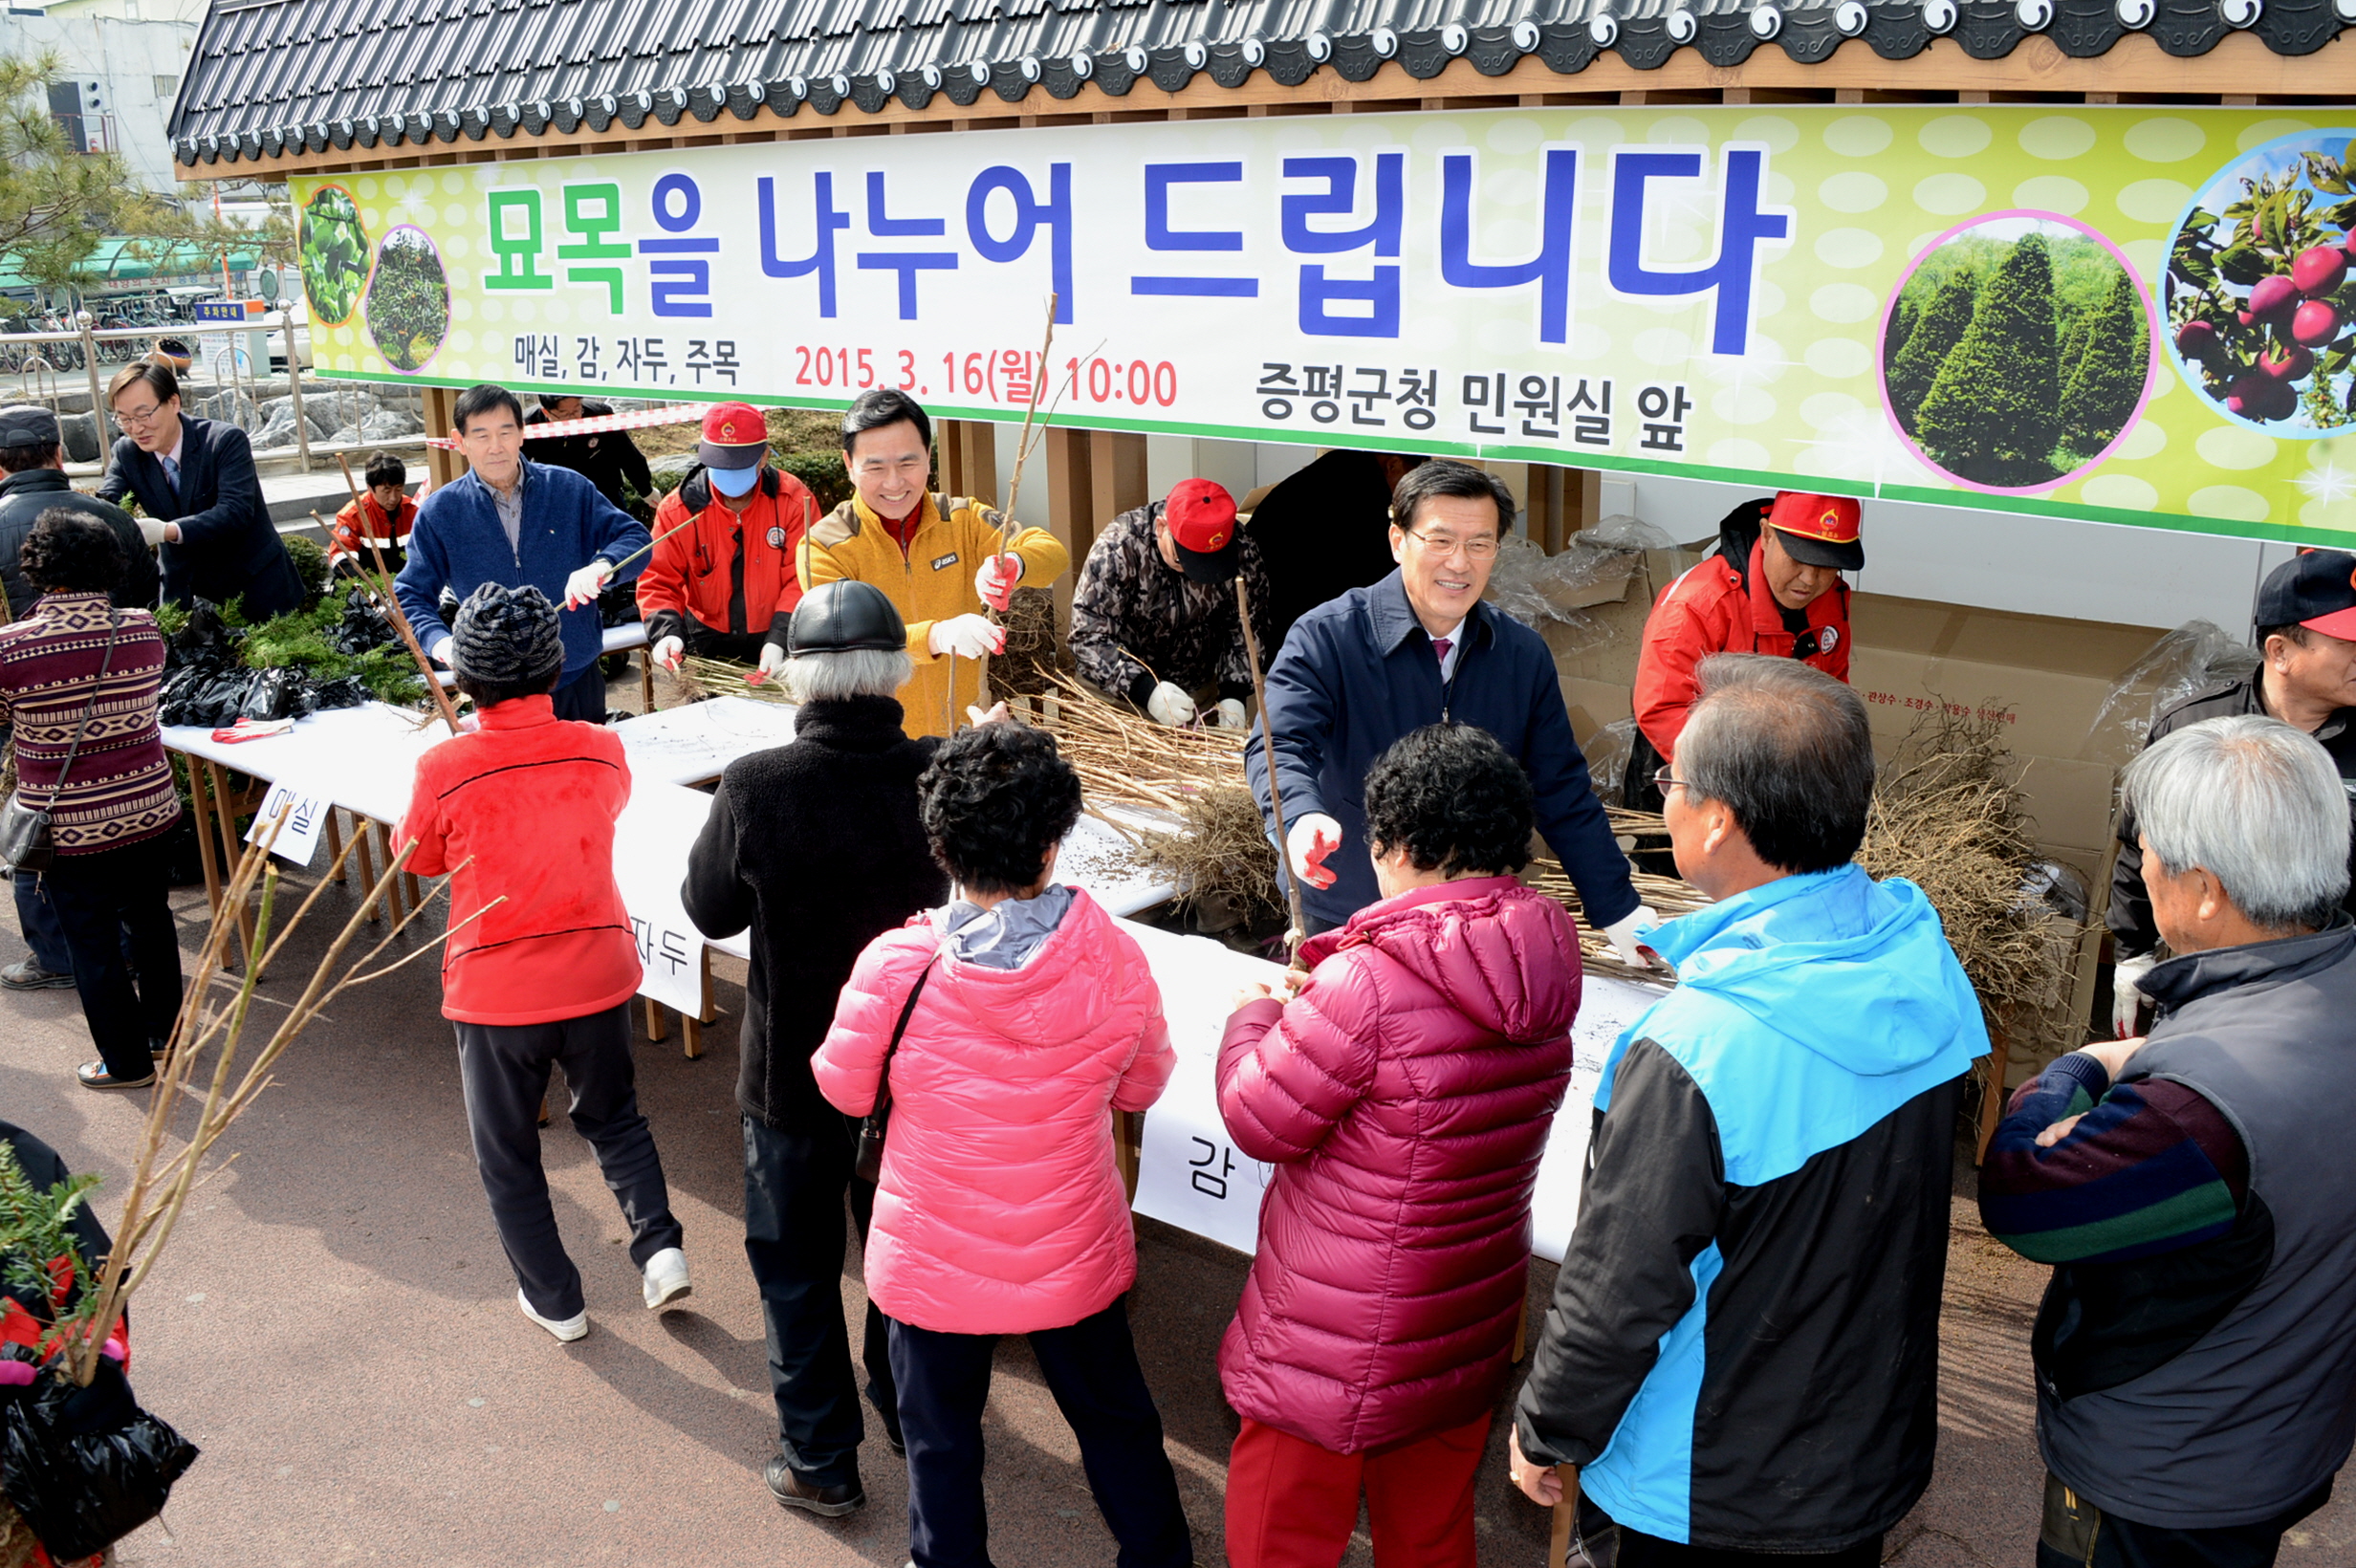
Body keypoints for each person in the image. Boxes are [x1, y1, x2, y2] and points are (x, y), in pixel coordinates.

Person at [1510, 655, 1987, 1566]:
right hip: (1858, 1458)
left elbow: (1621, 1287)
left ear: (1719, 820)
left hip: (1701, 1484)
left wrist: (1548, 1425)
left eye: (1670, 779)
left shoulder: (1698, 1048)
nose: (1665, 796)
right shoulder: (1920, 957)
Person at [812, 723, 1190, 1568]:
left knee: (942, 1445)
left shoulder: (894, 965)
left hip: (934, 1257)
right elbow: (1141, 1084)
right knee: (1118, 1424)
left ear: (940, 843)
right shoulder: (1115, 959)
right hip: (1072, 1250)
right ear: (1053, 846)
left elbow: (841, 1086)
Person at [1980, 714, 2356, 1568]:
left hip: (2164, 1477)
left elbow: (2021, 1194)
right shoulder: (2332, 981)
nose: (2140, 869)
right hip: (2282, 1427)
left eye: (2148, 854)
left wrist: (2076, 1069)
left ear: (2208, 889)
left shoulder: (2197, 1107)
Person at [1217, 722, 1582, 1568]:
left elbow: (1257, 1118)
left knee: (1282, 1536)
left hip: (1331, 1336)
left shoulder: (1370, 979)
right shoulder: (1546, 960)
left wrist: (1255, 1012)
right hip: (1464, 1312)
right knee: (1431, 1534)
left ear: (1400, 844)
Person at [680, 579, 947, 1517]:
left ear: (801, 672)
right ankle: (912, 1412)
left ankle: (821, 1458)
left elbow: (706, 907)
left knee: (794, 1266)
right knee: (905, 1262)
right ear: (892, 666)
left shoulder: (757, 783)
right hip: (915, 1074)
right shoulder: (938, 771)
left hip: (793, 1069)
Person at [392, 582, 687, 1342]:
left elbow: (417, 857)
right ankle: (659, 1247)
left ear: (467, 677)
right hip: (596, 968)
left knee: (509, 1152)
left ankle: (557, 1302)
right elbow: (607, 807)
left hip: (497, 989)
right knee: (616, 1118)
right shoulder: (602, 746)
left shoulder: (444, 764)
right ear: (556, 669)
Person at [1248, 459, 1647, 950]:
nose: (1459, 563)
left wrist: (1617, 905)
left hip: (1469, 922)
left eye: (1479, 544)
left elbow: (1560, 788)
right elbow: (1280, 745)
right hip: (1347, 908)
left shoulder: (1519, 654)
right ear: (1398, 541)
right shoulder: (1328, 636)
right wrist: (1299, 818)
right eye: (1440, 541)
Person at [2108, 549, 2356, 1035]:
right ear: (2280, 651)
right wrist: (2132, 953)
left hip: (2333, 987)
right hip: (2211, 979)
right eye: (2349, 642)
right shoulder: (2195, 726)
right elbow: (2139, 848)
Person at [0, 512, 184, 1091]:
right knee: (152, 920)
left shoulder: (12, 650)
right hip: (150, 809)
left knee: (92, 940)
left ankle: (126, 1064)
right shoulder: (141, 629)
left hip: (69, 828)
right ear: (110, 564)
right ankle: (163, 1035)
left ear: (36, 569)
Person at [0, 406, 164, 997]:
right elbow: (150, 589)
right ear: (59, 455)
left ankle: (55, 955)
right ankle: (143, 988)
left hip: (32, 718)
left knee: (32, 829)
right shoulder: (108, 515)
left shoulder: (12, 644)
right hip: (129, 741)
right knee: (140, 892)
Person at [796, 389, 1068, 738]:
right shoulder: (825, 544)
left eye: (908, 463)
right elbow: (848, 646)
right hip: (871, 742)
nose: (894, 483)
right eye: (875, 466)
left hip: (958, 737)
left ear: (928, 456)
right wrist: (937, 637)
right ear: (849, 465)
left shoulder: (961, 519)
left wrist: (1013, 563)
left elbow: (1051, 550)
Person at [395, 384, 651, 725]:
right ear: (460, 442)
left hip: (572, 673)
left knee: (583, 772)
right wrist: (438, 640)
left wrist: (602, 567)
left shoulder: (568, 489)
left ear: (522, 433)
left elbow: (635, 537)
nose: (496, 447)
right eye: (482, 435)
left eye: (505, 432)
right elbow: (410, 593)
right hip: (494, 689)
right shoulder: (441, 511)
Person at [1625, 491, 1859, 814]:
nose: (1809, 580)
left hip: (1780, 775)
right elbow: (1662, 708)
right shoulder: (1697, 603)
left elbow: (1831, 696)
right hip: (1691, 768)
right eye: (1797, 560)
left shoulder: (1830, 598)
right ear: (1767, 534)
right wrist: (1737, 785)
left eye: (1826, 566)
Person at [95, 360, 304, 620]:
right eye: (124, 419)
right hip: (182, 589)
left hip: (253, 584)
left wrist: (166, 531)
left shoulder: (223, 441)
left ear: (173, 403)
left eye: (144, 415)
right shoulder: (128, 452)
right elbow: (107, 501)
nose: (136, 429)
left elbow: (235, 512)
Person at [1068, 477, 1273, 729]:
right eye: (1183, 560)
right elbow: (1087, 637)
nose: (1193, 574)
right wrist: (1146, 690)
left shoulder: (1241, 548)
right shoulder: (1120, 546)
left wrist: (1234, 693)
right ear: (1162, 527)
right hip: (1118, 701)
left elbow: (1248, 624)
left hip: (1197, 698)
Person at [639, 402, 818, 682]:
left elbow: (804, 576)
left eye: (739, 466)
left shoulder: (794, 500)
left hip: (777, 631)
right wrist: (665, 633)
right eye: (720, 466)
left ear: (764, 456)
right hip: (706, 637)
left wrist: (782, 636)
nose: (729, 476)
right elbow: (658, 579)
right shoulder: (679, 509)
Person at [1244, 449, 1422, 646]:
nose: (1409, 493)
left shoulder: (1341, 466)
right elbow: (1376, 565)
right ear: (1393, 465)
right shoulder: (1362, 485)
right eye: (1409, 479)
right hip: (1291, 606)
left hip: (1269, 594)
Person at [0, 405, 159, 618]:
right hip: (114, 647)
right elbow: (148, 599)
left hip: (16, 649)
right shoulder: (112, 515)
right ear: (59, 455)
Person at [525, 393, 654, 512]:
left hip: (603, 492)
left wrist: (646, 490)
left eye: (576, 410)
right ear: (546, 412)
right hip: (557, 496)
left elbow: (627, 454)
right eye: (564, 414)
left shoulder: (599, 415)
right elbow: (516, 465)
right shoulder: (529, 425)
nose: (573, 419)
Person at [326, 449, 417, 577]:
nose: (393, 498)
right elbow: (340, 555)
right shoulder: (353, 515)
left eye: (398, 489)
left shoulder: (414, 510)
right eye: (386, 491)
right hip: (369, 581)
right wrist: (368, 584)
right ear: (370, 488)